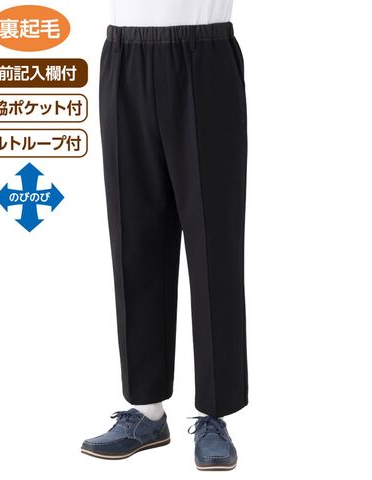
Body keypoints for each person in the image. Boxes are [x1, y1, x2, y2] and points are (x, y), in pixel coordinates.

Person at [81, 0, 248, 470]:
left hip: (204, 54)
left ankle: (215, 415)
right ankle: (147, 412)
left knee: (213, 245)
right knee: (134, 241)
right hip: (125, 54)